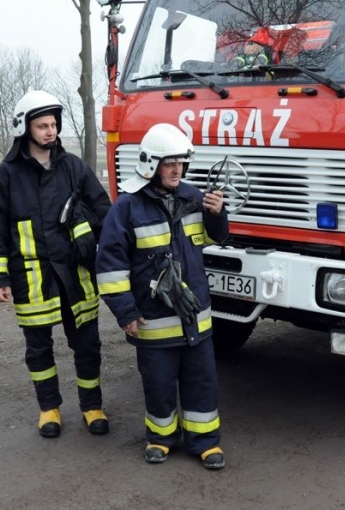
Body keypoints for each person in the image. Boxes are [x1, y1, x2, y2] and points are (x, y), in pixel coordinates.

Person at [0, 90, 111, 439]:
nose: (50, 131)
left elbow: (104, 213)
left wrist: (107, 256)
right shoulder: (6, 176)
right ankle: (49, 408)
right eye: (42, 126)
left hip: (76, 274)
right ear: (24, 128)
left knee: (87, 344)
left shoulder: (74, 168)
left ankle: (92, 406)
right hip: (32, 277)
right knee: (38, 348)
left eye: (53, 124)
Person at [95, 123, 229, 470]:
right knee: (158, 384)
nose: (176, 169)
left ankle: (205, 442)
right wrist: (125, 312)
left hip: (195, 318)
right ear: (150, 164)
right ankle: (160, 438)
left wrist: (217, 215)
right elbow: (110, 266)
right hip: (153, 320)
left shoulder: (194, 197)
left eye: (180, 162)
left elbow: (214, 239)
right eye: (169, 163)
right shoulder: (127, 206)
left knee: (202, 381)